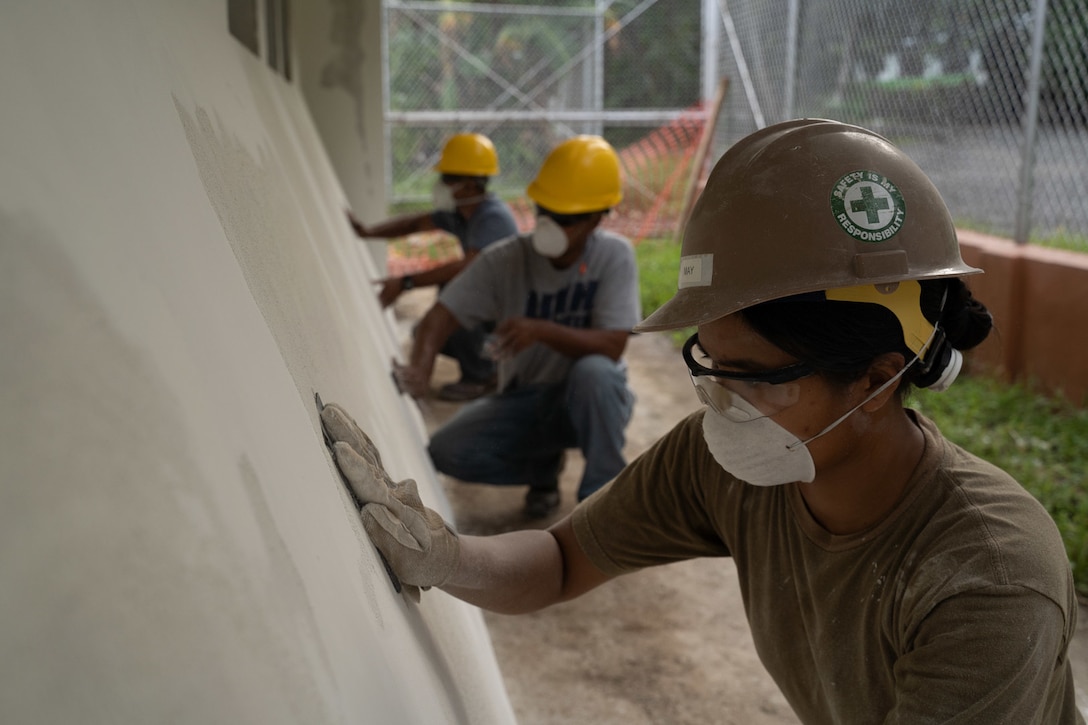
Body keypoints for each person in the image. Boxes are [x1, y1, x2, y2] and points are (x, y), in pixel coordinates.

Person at [322, 120, 1082, 723]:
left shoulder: (988, 578)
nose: (720, 403)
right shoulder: (727, 462)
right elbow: (559, 561)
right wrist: (450, 559)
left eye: (753, 378)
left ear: (879, 379)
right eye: (708, 363)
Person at [392, 135, 640, 518]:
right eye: (545, 211)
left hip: (591, 400)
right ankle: (543, 468)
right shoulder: (505, 260)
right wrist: (421, 369)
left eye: (564, 217)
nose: (550, 224)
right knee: (448, 451)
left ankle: (602, 501)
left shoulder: (614, 256)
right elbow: (439, 316)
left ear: (596, 217)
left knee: (597, 373)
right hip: (527, 398)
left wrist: (541, 330)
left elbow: (612, 345)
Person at [347, 132, 519, 401]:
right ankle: (486, 364)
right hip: (495, 311)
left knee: (459, 299)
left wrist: (406, 282)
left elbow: (469, 268)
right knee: (424, 332)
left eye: (449, 179)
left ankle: (485, 376)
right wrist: (368, 232)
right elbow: (414, 224)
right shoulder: (461, 213)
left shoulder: (493, 218)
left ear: (472, 184)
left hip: (510, 316)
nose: (441, 185)